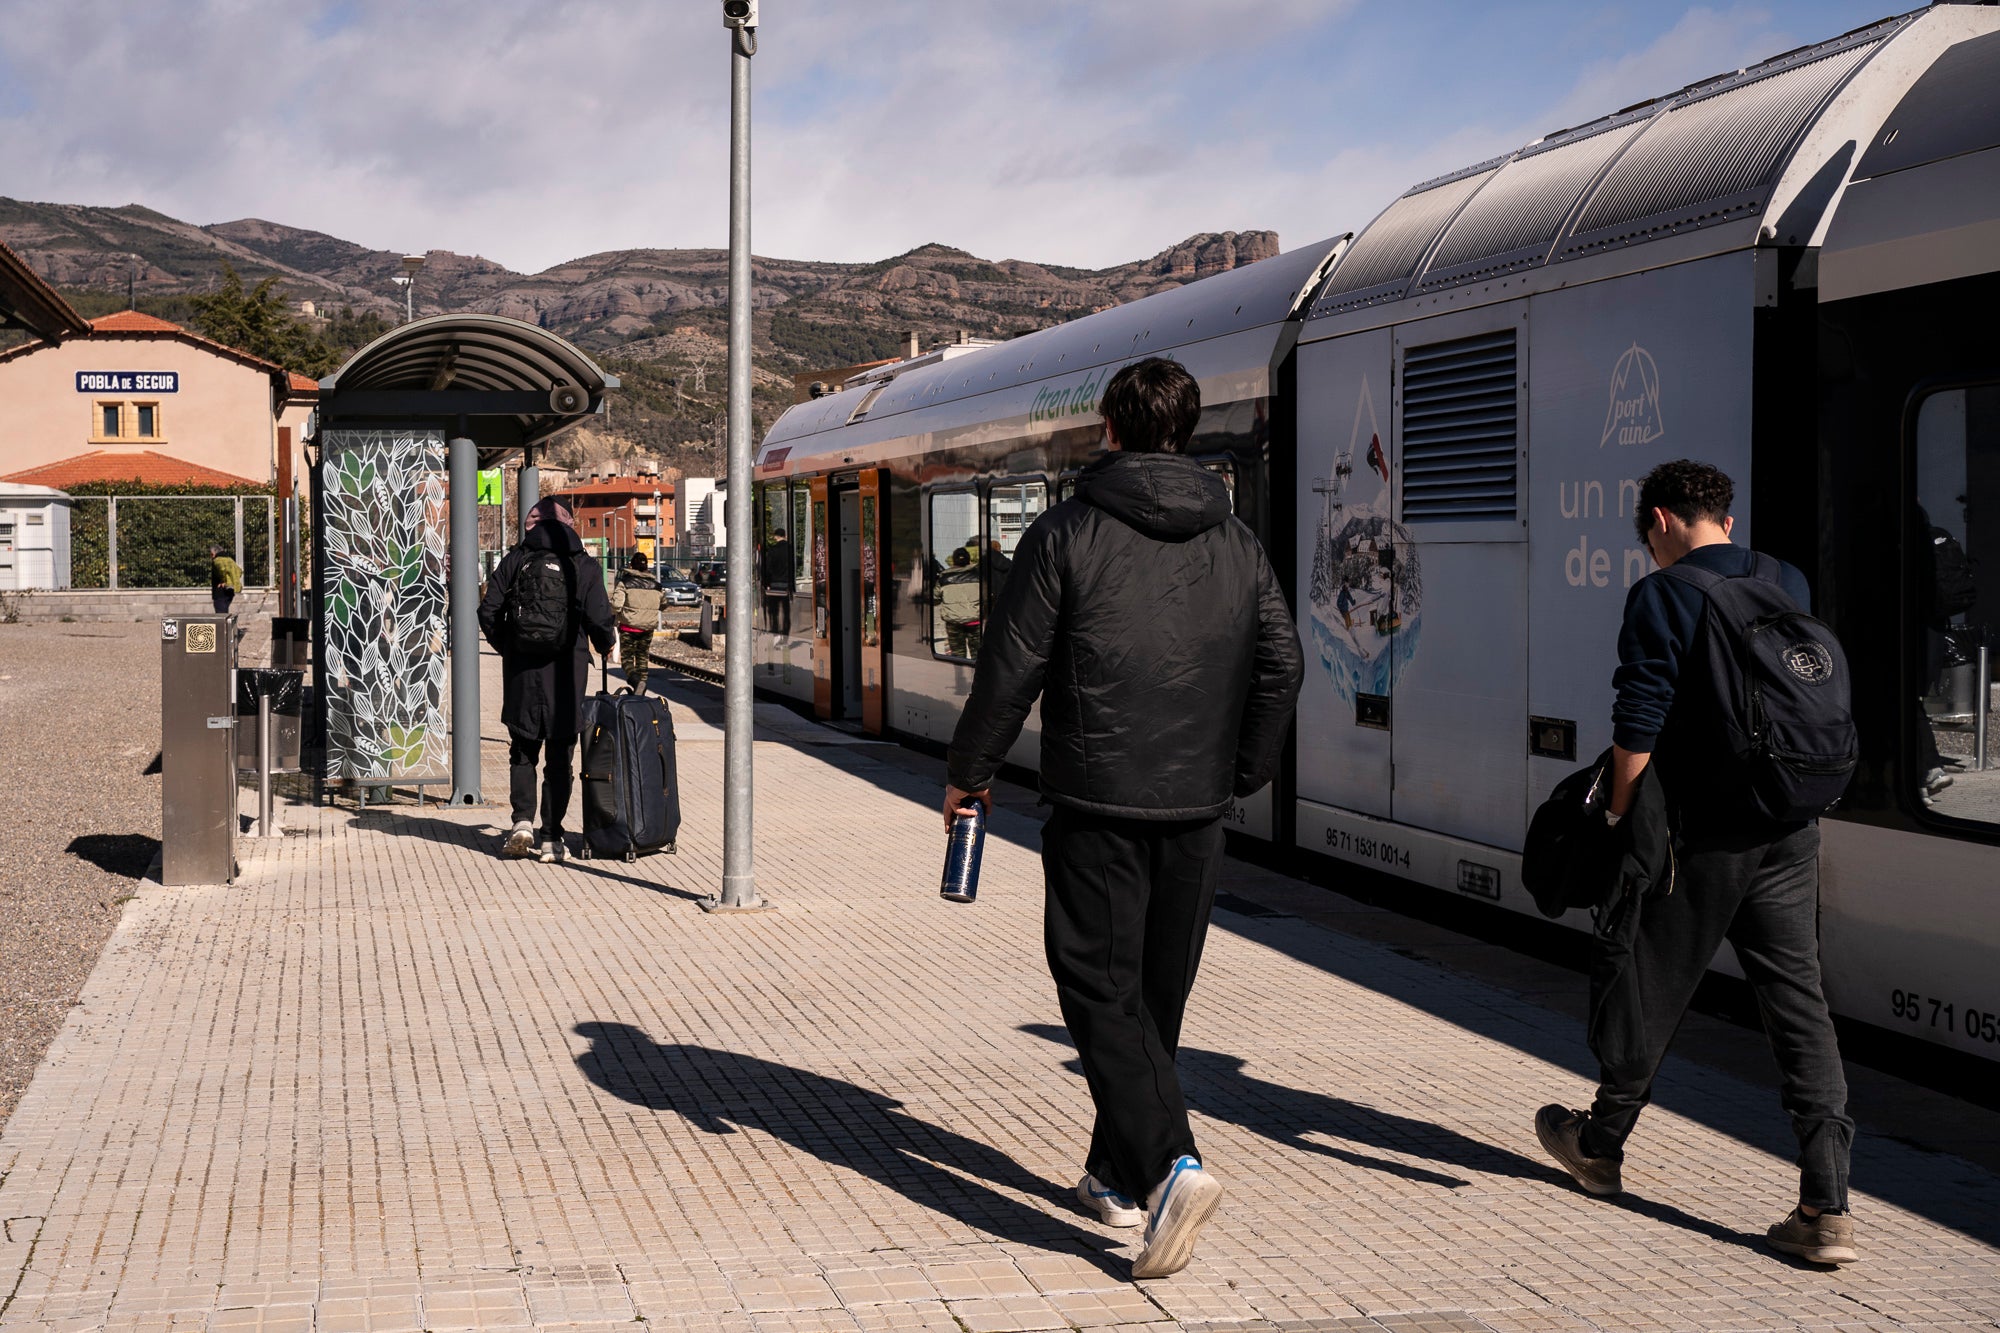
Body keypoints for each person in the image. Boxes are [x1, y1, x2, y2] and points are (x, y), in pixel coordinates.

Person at [943, 357, 1302, 1280]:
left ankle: (1169, 1165)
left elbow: (1011, 667)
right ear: (1185, 431)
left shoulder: (1067, 532)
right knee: (1153, 997)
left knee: (1098, 990)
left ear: (1109, 427)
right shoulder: (1238, 542)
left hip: (1098, 801)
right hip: (1198, 808)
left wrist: (968, 776)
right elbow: (1283, 662)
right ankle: (1111, 1168)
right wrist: (1243, 771)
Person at [1534, 459, 1858, 1265]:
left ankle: (1600, 1146)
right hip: (1788, 827)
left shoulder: (1663, 593)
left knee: (1648, 980)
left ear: (1660, 523)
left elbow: (1638, 717)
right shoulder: (1783, 577)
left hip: (1703, 837)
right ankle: (1827, 1205)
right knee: (1799, 1006)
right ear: (1724, 517)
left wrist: (1614, 813)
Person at [477, 497, 617, 864]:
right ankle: (552, 838)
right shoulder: (582, 565)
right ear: (569, 525)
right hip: (567, 673)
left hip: (522, 672)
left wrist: (508, 646)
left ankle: (522, 822)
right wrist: (604, 644)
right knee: (559, 756)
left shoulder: (515, 560)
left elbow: (488, 610)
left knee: (523, 751)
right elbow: (599, 618)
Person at [610, 550, 664, 696]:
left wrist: (612, 614)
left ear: (631, 566)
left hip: (629, 627)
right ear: (647, 566)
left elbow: (616, 605)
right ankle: (642, 690)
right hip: (648, 628)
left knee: (627, 659)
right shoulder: (656, 585)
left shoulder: (625, 583)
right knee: (642, 658)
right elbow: (664, 603)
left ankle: (635, 682)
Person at [936, 547, 982, 658]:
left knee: (958, 655)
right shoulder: (978, 574)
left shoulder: (944, 577)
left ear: (954, 560)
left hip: (954, 623)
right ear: (968, 559)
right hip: (975, 621)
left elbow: (935, 598)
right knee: (978, 655)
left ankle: (961, 674)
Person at [761, 529, 794, 636]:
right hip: (786, 584)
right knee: (786, 611)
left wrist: (767, 583)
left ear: (776, 537)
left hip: (774, 584)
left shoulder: (773, 550)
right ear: (785, 535)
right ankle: (785, 632)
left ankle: (775, 629)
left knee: (774, 611)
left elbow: (768, 568)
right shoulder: (790, 549)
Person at [208, 545, 243, 615]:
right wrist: (233, 581)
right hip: (230, 590)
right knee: (225, 611)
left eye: (211, 554)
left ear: (213, 553)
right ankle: (226, 625)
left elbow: (222, 570)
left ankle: (223, 626)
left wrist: (224, 581)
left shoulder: (217, 560)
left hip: (221, 591)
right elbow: (239, 571)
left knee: (220, 614)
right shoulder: (230, 559)